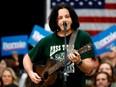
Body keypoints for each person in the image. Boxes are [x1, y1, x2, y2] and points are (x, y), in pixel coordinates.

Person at [23, 3, 95, 87]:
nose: (64, 20)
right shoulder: (47, 40)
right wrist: (31, 73)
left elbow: (88, 69)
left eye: (67, 16)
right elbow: (27, 58)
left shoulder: (82, 36)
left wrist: (79, 61)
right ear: (56, 21)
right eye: (60, 18)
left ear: (72, 18)